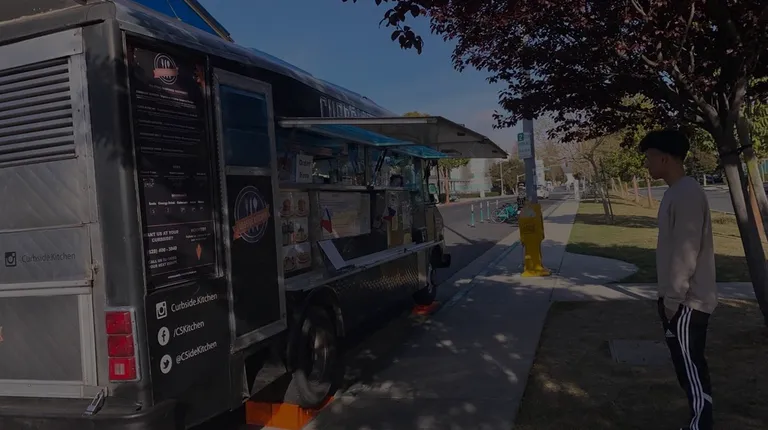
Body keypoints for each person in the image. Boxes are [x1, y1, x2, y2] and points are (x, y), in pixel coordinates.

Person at [640, 129, 717, 430]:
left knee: (691, 368)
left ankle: (701, 425)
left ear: (665, 158)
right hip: (678, 299)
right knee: (686, 368)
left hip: (688, 302)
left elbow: (687, 250)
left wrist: (673, 300)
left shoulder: (686, 193)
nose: (646, 163)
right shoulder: (675, 191)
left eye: (649, 157)